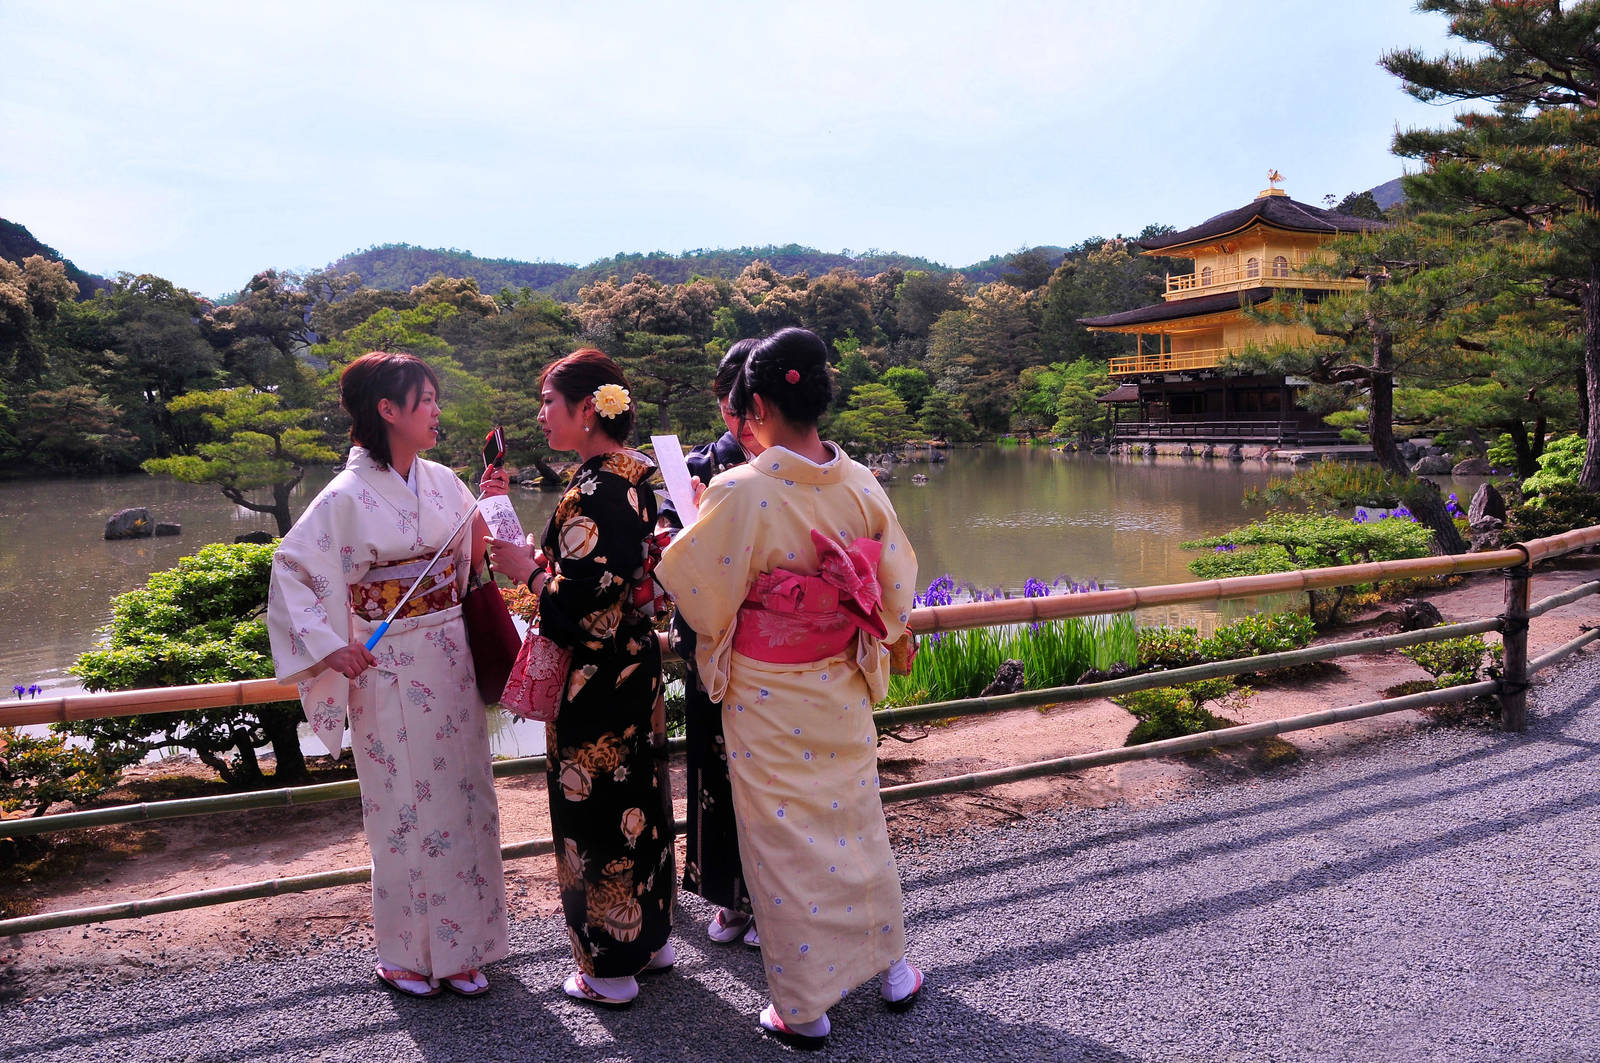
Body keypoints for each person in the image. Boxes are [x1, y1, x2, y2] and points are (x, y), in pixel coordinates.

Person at [656, 327, 924, 1049]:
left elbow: (703, 597)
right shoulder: (860, 480)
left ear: (759, 405)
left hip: (768, 695)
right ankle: (893, 968)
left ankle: (803, 1008)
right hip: (838, 680)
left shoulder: (740, 490)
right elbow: (895, 588)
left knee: (785, 845)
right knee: (856, 823)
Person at [267, 350, 507, 999]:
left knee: (464, 797)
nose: (435, 409)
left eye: (434, 396)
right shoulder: (343, 498)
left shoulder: (444, 481)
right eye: (423, 398)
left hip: (449, 655)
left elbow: (472, 559)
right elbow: (293, 570)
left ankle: (462, 948)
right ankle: (405, 954)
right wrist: (330, 645)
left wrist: (491, 513)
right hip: (388, 664)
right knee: (402, 808)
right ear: (387, 410)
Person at [483, 348, 675, 1008]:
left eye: (548, 401)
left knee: (592, 809)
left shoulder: (596, 491)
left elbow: (583, 608)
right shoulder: (631, 475)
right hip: (633, 666)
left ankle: (609, 966)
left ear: (587, 409)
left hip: (597, 677)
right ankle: (649, 938)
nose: (541, 414)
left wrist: (527, 573)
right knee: (639, 802)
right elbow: (603, 579)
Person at [667, 339, 765, 948]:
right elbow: (676, 552)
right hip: (713, 641)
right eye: (729, 410)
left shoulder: (795, 466)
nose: (737, 422)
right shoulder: (701, 467)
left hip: (772, 647)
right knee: (715, 771)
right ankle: (730, 899)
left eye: (744, 409)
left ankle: (770, 901)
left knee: (769, 778)